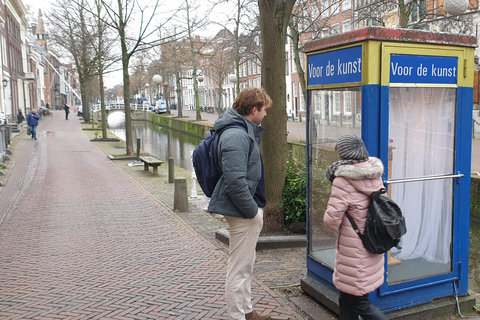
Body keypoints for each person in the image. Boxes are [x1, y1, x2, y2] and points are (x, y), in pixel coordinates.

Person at [208, 88, 272, 320]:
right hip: (243, 211)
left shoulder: (241, 131)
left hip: (245, 210)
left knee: (245, 265)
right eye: (264, 110)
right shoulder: (236, 135)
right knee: (238, 268)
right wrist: (252, 211)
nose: (265, 115)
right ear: (253, 109)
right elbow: (235, 182)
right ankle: (238, 316)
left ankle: (247, 311)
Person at [323, 134, 388, 320]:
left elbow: (331, 221)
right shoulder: (374, 174)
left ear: (345, 155)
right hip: (370, 245)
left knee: (360, 303)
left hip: (354, 251)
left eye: (339, 154)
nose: (338, 158)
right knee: (347, 300)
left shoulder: (343, 180)